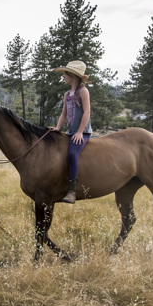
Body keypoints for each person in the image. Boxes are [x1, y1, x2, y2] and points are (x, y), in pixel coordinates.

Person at [49, 60, 92, 204]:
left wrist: (80, 132)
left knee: (73, 154)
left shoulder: (83, 91)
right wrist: (58, 128)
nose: (63, 76)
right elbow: (64, 114)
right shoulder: (67, 94)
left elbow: (86, 112)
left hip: (82, 132)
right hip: (70, 131)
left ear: (73, 76)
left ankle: (72, 190)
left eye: (66, 74)